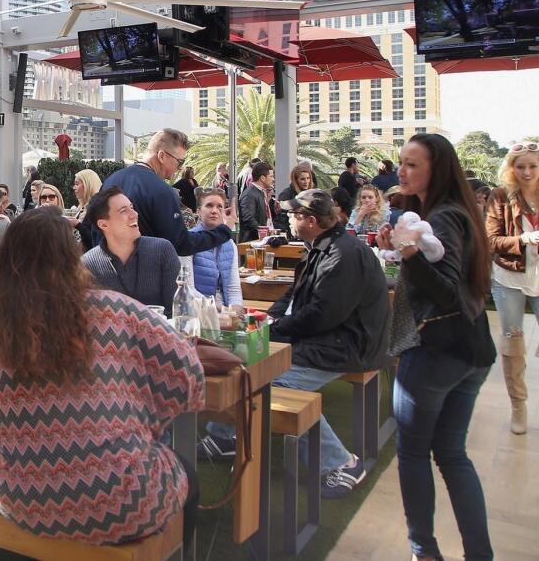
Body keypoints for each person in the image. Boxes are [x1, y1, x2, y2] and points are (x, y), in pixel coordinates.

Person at [0, 207, 204, 549]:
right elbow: (189, 376)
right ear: (73, 256)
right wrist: (140, 413)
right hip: (123, 499)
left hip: (22, 495)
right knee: (185, 473)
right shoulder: (117, 311)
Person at [204, 189, 389, 499]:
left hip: (345, 347)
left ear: (311, 220)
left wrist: (275, 330)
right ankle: (224, 436)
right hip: (326, 339)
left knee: (274, 384)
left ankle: (341, 463)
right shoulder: (319, 247)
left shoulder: (343, 254)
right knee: (248, 360)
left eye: (292, 214)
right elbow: (293, 296)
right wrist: (270, 322)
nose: (287, 218)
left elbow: (322, 316)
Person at [376, 133, 495, 561]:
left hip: (436, 351)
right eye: (401, 162)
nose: (402, 171)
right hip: (471, 348)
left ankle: (422, 550)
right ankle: (479, 554)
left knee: (413, 454)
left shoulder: (443, 218)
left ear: (436, 169)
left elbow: (444, 291)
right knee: (451, 453)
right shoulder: (450, 213)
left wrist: (408, 256)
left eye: (412, 164)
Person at [100, 129, 233, 255]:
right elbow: (180, 243)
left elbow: (93, 230)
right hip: (144, 273)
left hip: (106, 271)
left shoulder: (110, 180)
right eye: (179, 161)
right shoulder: (161, 190)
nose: (180, 168)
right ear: (162, 156)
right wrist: (224, 230)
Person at [485, 141, 539, 435]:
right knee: (512, 344)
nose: (527, 172)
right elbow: (491, 240)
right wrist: (524, 241)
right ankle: (518, 406)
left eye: (533, 165)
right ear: (511, 169)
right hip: (510, 276)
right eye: (521, 167)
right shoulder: (500, 196)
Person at [82, 186, 180, 317]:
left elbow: (176, 311)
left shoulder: (162, 250)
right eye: (123, 211)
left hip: (161, 335)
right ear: (103, 225)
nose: (134, 214)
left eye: (132, 207)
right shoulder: (88, 265)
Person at [186, 189, 243, 308]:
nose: (214, 211)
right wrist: (217, 308)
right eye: (209, 206)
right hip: (198, 310)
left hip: (225, 309)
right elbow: (187, 289)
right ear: (199, 211)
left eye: (219, 207)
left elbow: (234, 288)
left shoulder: (230, 244)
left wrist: (236, 309)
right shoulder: (188, 241)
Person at [238, 161, 274, 242]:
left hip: (260, 241)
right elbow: (248, 219)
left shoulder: (261, 192)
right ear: (262, 178)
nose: (273, 179)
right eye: (271, 176)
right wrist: (264, 233)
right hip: (252, 243)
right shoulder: (249, 194)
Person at [275, 163, 316, 232]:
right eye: (302, 179)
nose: (306, 181)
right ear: (296, 180)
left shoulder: (312, 193)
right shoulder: (286, 194)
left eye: (308, 178)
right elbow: (281, 219)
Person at [72, 168, 101, 252]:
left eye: (77, 184)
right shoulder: (81, 207)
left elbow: (94, 239)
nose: (74, 187)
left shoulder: (97, 208)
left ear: (88, 184)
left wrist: (77, 225)